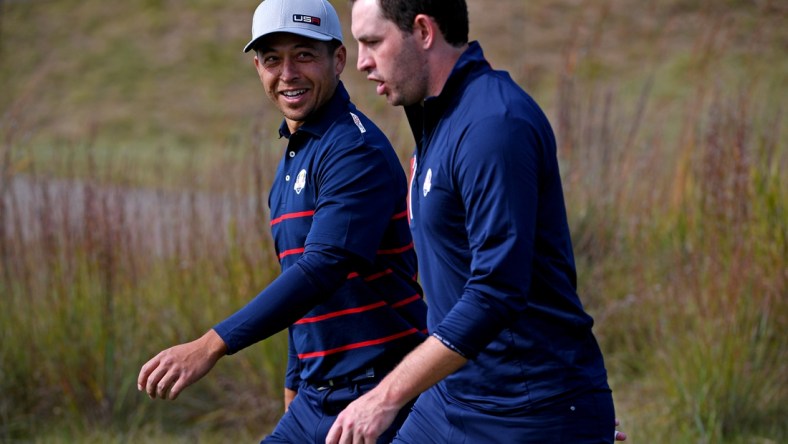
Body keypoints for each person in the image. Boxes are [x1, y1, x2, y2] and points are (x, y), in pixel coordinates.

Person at [327, 0, 625, 442]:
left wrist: (384, 397)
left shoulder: (493, 125)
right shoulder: (436, 121)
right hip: (451, 400)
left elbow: (495, 292)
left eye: (372, 42)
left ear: (424, 32)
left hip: (529, 412)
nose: (363, 62)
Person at [137, 0, 428, 442]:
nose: (287, 73)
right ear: (258, 68)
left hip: (380, 394)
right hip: (317, 397)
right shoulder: (295, 158)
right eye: (273, 59)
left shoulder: (353, 150)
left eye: (304, 55)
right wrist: (295, 379)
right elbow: (297, 279)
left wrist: (211, 344)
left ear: (339, 60)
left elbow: (322, 268)